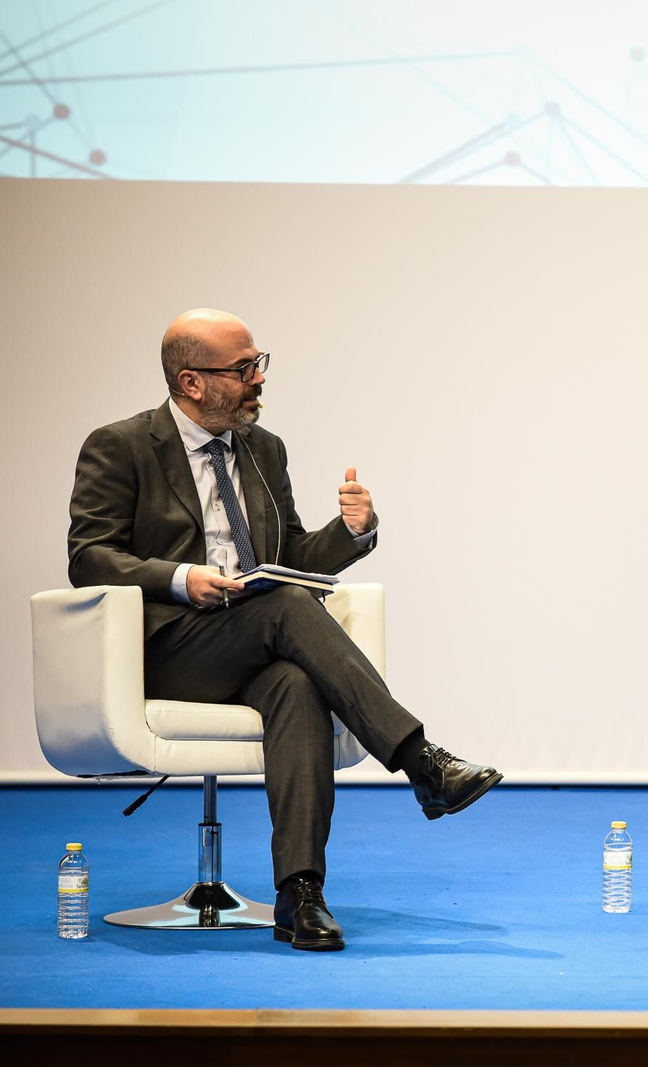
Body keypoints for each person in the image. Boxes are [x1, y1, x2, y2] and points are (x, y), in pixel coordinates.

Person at [67, 308, 503, 952]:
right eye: (243, 368)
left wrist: (350, 532)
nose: (259, 379)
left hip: (254, 639)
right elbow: (89, 557)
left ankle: (300, 895)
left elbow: (291, 556)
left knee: (297, 684)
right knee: (288, 608)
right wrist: (182, 578)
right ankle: (421, 762)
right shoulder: (122, 445)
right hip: (170, 648)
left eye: (258, 363)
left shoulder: (265, 449)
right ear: (191, 382)